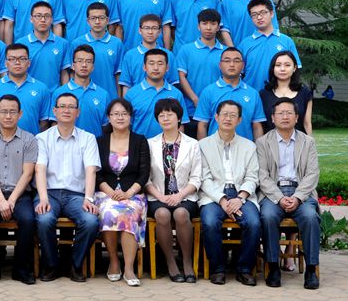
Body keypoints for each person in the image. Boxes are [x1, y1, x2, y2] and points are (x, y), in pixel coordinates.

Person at [34, 93, 101, 283]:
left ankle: (75, 264)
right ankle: (51, 264)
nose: (66, 110)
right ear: (54, 111)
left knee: (90, 221)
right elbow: (39, 169)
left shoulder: (88, 138)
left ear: (78, 112)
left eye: (71, 107)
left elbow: (91, 170)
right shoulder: (42, 138)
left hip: (76, 195)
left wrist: (89, 198)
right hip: (49, 193)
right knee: (44, 219)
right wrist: (43, 198)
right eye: (62, 106)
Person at [256, 98, 320, 290]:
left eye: (289, 113)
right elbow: (262, 175)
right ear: (272, 118)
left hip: (301, 192)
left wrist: (298, 197)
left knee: (310, 217)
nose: (285, 116)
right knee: (268, 216)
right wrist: (279, 197)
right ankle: (273, 267)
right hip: (273, 193)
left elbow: (312, 173)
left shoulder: (308, 142)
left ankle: (311, 269)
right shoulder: (263, 142)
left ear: (297, 117)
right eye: (280, 113)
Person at [198, 100, 261, 286]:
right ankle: (218, 269)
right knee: (210, 222)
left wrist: (240, 198)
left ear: (239, 120)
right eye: (224, 114)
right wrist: (222, 199)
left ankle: (244, 269)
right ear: (216, 117)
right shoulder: (203, 145)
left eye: (233, 115)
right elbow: (204, 178)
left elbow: (253, 177)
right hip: (213, 195)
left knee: (253, 222)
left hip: (242, 194)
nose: (228, 118)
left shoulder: (249, 146)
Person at [0, 94, 38, 285]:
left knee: (28, 219)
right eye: (3, 111)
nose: (8, 116)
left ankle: (21, 269)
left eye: (13, 111)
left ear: (20, 114)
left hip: (20, 194)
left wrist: (11, 200)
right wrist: (1, 200)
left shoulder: (29, 139)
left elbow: (28, 174)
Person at [145, 98, 202, 283]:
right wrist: (160, 196)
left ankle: (186, 261)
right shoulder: (150, 144)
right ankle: (171, 262)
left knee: (180, 214)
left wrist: (180, 195)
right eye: (161, 115)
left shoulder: (192, 144)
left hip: (185, 196)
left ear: (179, 118)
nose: (165, 118)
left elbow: (196, 178)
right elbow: (146, 179)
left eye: (170, 114)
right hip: (158, 196)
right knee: (162, 214)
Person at [95, 98, 150, 287]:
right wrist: (111, 192)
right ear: (109, 117)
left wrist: (128, 193)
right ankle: (113, 261)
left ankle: (129, 267)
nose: (120, 117)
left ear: (130, 117)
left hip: (133, 194)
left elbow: (144, 173)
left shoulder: (140, 141)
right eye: (116, 114)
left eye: (124, 114)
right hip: (106, 193)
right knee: (108, 212)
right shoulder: (100, 141)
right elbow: (96, 173)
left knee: (128, 213)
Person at [175, 8, 227, 138]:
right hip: (192, 110)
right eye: (204, 23)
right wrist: (195, 99)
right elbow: (181, 77)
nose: (208, 27)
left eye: (213, 24)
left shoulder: (226, 52)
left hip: (219, 110)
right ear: (198, 26)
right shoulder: (186, 50)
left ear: (218, 27)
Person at [194, 47, 266, 141]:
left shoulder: (253, 93)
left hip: (245, 147)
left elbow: (256, 126)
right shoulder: (208, 92)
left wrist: (258, 148)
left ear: (243, 65)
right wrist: (203, 148)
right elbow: (202, 125)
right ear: (220, 65)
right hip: (215, 147)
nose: (232, 64)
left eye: (236, 61)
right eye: (227, 61)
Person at [0, 44, 52, 135]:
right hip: (1, 142)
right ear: (5, 63)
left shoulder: (42, 88)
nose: (17, 62)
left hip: (32, 141)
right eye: (12, 59)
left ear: (29, 62)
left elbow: (44, 122)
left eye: (22, 59)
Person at [238, 0, 301, 91]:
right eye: (254, 15)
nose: (259, 17)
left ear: (272, 13)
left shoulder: (286, 41)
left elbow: (296, 70)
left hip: (280, 95)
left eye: (263, 12)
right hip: (252, 94)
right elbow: (238, 73)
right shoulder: (245, 44)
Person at [124, 49, 189, 138]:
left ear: (167, 68)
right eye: (151, 63)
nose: (156, 68)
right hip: (140, 144)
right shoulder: (131, 94)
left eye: (160, 63)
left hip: (168, 145)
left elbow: (180, 125)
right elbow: (126, 125)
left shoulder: (176, 94)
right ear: (144, 67)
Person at [50, 44, 109, 136]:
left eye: (88, 61)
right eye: (80, 61)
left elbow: (105, 126)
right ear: (73, 65)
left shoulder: (103, 95)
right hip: (66, 143)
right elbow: (55, 123)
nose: (84, 65)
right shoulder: (59, 93)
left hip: (95, 143)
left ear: (93, 67)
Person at [71, 2, 124, 102]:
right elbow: (73, 73)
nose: (97, 21)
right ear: (88, 21)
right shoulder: (76, 43)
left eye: (101, 18)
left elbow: (118, 75)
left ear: (107, 20)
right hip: (82, 98)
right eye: (93, 18)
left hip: (110, 97)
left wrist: (119, 99)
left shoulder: (117, 43)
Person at [118, 14, 180, 96]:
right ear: (140, 30)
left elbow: (173, 83)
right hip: (137, 101)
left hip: (163, 101)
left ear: (160, 31)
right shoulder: (130, 55)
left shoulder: (168, 55)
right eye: (146, 28)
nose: (150, 32)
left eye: (154, 28)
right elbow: (126, 85)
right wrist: (127, 103)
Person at [15, 1, 72, 90]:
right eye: (38, 16)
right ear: (31, 19)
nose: (42, 20)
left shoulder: (63, 44)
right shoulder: (21, 44)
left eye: (47, 16)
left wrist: (64, 93)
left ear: (52, 19)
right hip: (29, 93)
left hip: (53, 94)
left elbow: (64, 73)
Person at [260, 50, 313, 135]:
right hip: (270, 141)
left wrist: (310, 142)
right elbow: (261, 125)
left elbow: (307, 123)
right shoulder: (263, 94)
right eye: (278, 65)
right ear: (273, 68)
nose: (282, 69)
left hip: (298, 141)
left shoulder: (305, 93)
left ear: (294, 68)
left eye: (287, 65)